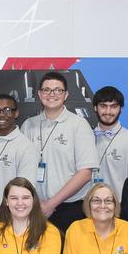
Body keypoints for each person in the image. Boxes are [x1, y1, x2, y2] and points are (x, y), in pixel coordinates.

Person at [20, 71, 96, 233]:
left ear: (66, 95)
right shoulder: (28, 125)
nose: (51, 94)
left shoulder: (79, 125)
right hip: (34, 208)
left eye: (57, 90)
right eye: (46, 90)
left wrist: (51, 204)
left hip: (69, 208)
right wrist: (35, 202)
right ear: (40, 94)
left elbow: (85, 173)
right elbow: (21, 168)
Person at [0, 93, 38, 229]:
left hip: (12, 219)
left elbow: (24, 190)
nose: (1, 114)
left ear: (16, 113)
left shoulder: (25, 147)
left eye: (7, 110)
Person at [91, 86, 128, 198]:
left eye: (113, 106)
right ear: (95, 107)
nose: (108, 112)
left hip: (118, 205)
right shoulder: (85, 137)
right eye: (103, 106)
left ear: (121, 108)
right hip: (86, 204)